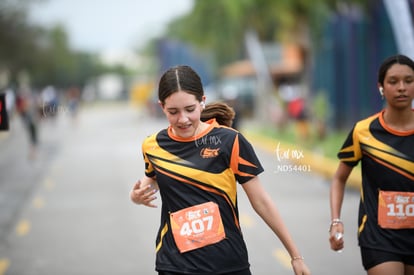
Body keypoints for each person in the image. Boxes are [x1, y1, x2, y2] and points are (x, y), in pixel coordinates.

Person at [130, 65, 311, 275]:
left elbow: (261, 201)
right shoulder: (153, 146)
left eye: (190, 109)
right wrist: (135, 195)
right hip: (174, 264)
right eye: (173, 112)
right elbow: (150, 179)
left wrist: (295, 256)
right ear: (162, 107)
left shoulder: (229, 141)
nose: (183, 119)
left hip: (227, 264)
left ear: (202, 101)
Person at [329, 54, 414, 275]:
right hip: (379, 237)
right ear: (381, 88)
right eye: (393, 82)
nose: (402, 88)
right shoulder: (364, 131)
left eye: (409, 81)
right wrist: (335, 221)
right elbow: (339, 178)